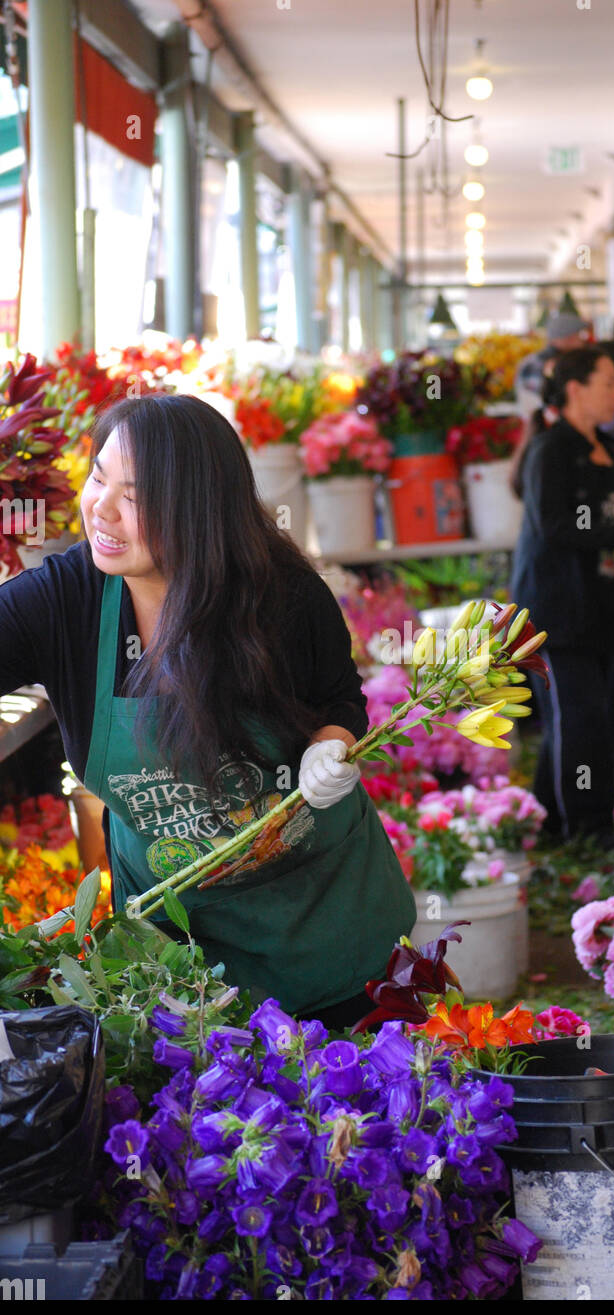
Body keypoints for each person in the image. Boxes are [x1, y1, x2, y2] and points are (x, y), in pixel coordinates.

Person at [0, 394, 415, 1024]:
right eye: (97, 478)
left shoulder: (284, 595)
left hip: (325, 928)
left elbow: (336, 695)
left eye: (133, 497)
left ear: (195, 509)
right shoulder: (66, 599)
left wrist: (329, 744)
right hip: (179, 957)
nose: (100, 510)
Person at [511, 347, 614, 847]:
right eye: (608, 383)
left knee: (599, 719)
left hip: (607, 611)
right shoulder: (552, 450)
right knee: (581, 721)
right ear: (575, 389)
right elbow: (557, 525)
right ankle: (589, 830)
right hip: (560, 614)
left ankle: (548, 818)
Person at [514, 310, 593, 416]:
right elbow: (542, 402)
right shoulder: (537, 364)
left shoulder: (559, 360)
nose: (582, 341)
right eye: (578, 335)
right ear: (567, 338)